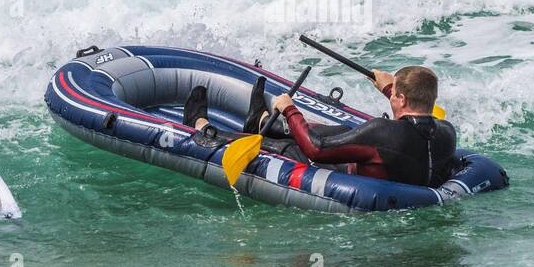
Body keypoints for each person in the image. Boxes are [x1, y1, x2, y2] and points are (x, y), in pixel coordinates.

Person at [183, 66, 456, 188]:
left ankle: (202, 126)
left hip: (355, 177)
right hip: (389, 168)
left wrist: (290, 108)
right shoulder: (446, 132)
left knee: (287, 147)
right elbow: (415, 113)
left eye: (394, 93)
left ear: (402, 98)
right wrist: (390, 88)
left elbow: (316, 150)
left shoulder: (383, 131)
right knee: (339, 132)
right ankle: (263, 122)